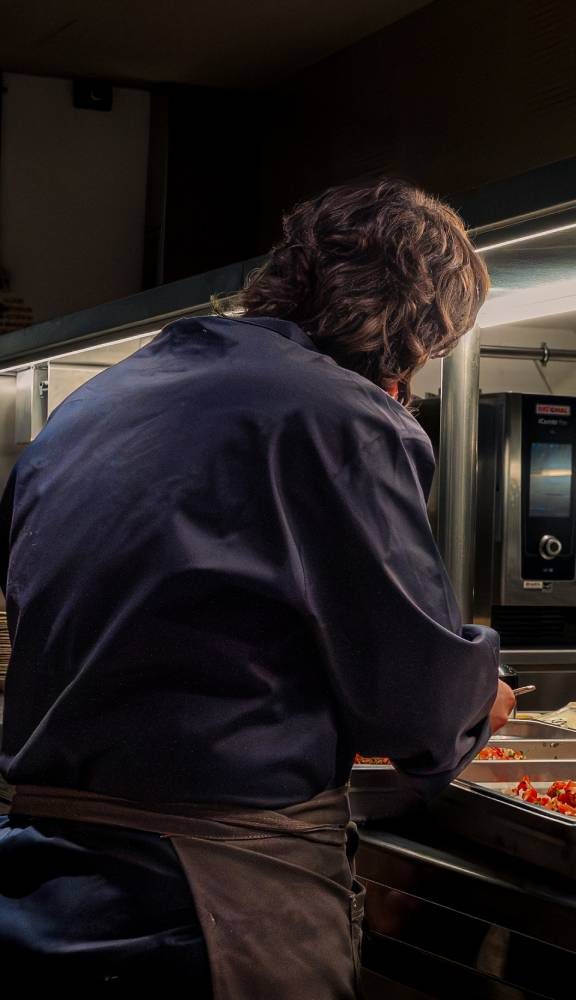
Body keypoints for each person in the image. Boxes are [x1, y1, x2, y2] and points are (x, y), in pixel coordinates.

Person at [0, 179, 512, 995]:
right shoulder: (339, 415)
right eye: (428, 351)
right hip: (208, 903)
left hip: (43, 887)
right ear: (415, 332)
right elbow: (412, 706)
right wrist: (480, 693)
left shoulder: (93, 403)